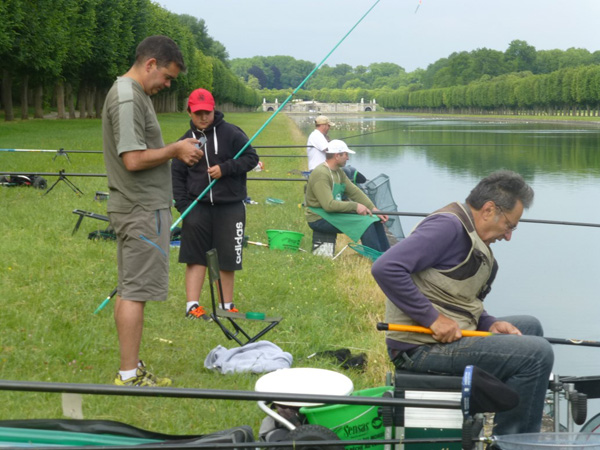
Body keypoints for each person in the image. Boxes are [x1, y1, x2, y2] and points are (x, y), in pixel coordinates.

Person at [371, 170, 554, 435]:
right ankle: (513, 442)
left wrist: (490, 323)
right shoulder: (447, 227)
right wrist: (432, 319)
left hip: (451, 334)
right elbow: (386, 267)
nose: (508, 236)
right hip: (420, 348)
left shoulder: (470, 234)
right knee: (537, 354)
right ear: (489, 209)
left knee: (530, 327)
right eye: (510, 225)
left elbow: (461, 301)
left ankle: (508, 419)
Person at [103, 35, 204, 387]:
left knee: (130, 287)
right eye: (167, 77)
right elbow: (132, 160)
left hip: (139, 206)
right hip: (140, 209)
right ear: (150, 64)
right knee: (135, 292)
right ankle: (129, 375)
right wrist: (175, 149)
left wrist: (174, 149)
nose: (167, 84)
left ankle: (130, 368)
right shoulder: (129, 97)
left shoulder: (134, 94)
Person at [172, 88, 258, 320]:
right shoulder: (183, 142)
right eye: (198, 112)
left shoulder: (232, 133)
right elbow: (178, 176)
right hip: (196, 206)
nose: (203, 117)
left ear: (214, 109)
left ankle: (226, 306)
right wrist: (183, 207)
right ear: (189, 111)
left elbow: (251, 158)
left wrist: (226, 168)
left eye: (207, 112)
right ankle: (192, 306)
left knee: (227, 257)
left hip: (230, 206)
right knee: (195, 256)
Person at [305, 139, 390, 253]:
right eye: (346, 154)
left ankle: (386, 256)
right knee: (365, 224)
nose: (348, 158)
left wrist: (373, 209)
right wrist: (355, 206)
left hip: (331, 214)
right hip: (318, 218)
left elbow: (354, 192)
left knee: (375, 219)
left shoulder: (338, 172)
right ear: (337, 156)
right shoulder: (321, 174)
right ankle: (374, 260)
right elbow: (328, 205)